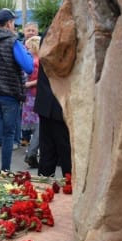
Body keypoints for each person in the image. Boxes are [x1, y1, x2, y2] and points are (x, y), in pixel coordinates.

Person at [0, 8, 33, 173]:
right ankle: (5, 171)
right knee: (9, 134)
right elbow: (29, 67)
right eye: (14, 23)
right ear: (9, 23)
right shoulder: (12, 40)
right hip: (9, 93)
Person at [34, 36, 71, 177]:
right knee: (66, 152)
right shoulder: (63, 34)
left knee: (48, 152)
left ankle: (44, 189)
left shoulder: (49, 34)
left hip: (46, 102)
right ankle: (70, 188)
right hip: (59, 102)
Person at [22, 35, 41, 168]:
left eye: (27, 47)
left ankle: (32, 152)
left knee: (38, 127)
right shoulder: (38, 61)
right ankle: (32, 153)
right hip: (35, 96)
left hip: (31, 97)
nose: (26, 49)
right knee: (40, 127)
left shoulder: (33, 61)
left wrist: (28, 84)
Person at [20, 22, 40, 146]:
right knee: (30, 118)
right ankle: (27, 139)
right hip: (28, 93)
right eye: (29, 30)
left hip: (35, 92)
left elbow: (42, 78)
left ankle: (34, 143)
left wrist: (29, 84)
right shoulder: (21, 47)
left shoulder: (39, 60)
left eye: (33, 30)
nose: (31, 32)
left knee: (36, 120)